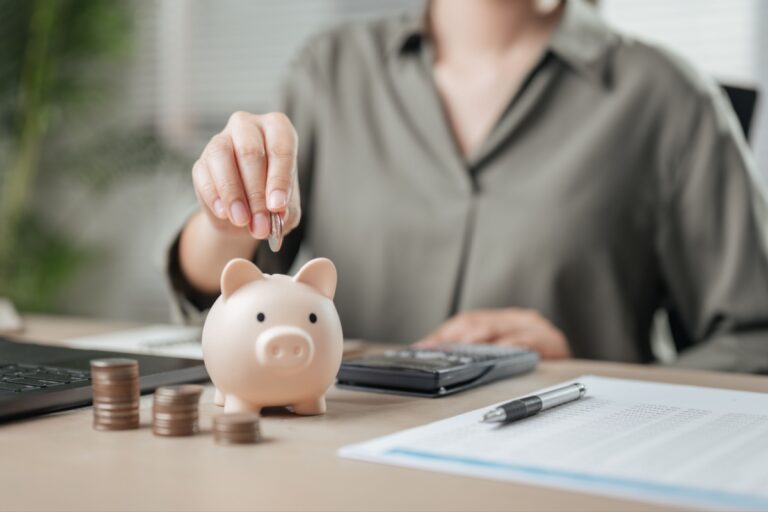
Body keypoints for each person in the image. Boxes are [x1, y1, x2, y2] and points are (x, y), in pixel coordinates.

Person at [167, 0, 768, 372]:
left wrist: (593, 376)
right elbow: (230, 288)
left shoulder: (668, 98)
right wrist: (224, 222)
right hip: (343, 458)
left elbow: (754, 341)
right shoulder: (328, 70)